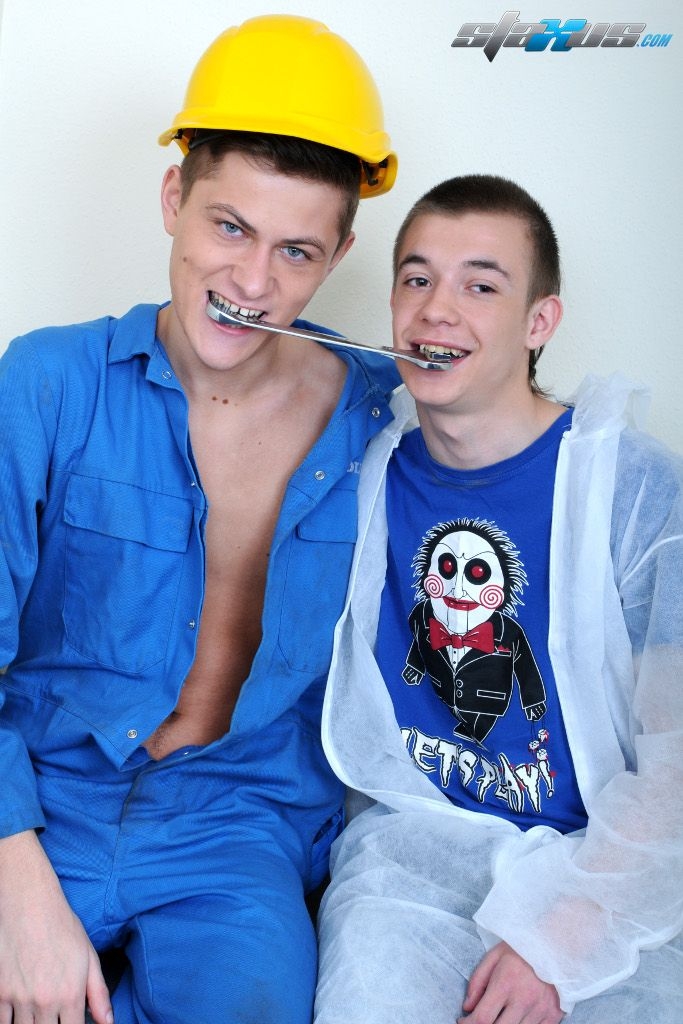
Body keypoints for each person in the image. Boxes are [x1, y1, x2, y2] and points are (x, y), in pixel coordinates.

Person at [0, 14, 400, 1024]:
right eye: (229, 227)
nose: (253, 284)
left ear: (339, 254)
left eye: (295, 250)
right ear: (174, 197)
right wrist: (19, 884)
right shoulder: (48, 382)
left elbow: (519, 455)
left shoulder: (383, 423)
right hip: (39, 800)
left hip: (236, 828)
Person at [314, 174, 683, 1024]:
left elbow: (676, 764)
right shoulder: (357, 472)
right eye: (416, 278)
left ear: (538, 321)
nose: (436, 310)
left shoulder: (630, 487)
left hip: (605, 866)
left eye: (480, 286)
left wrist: (564, 934)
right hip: (410, 862)